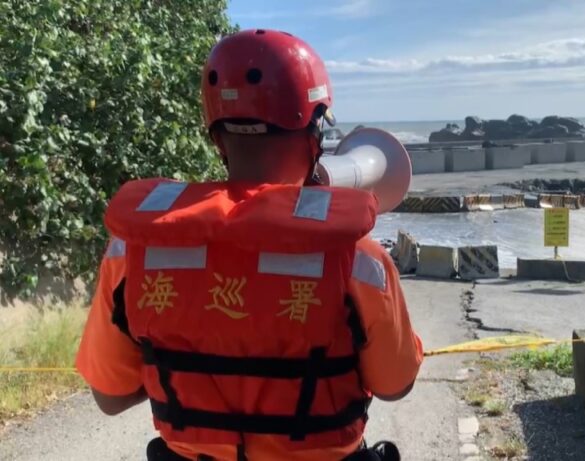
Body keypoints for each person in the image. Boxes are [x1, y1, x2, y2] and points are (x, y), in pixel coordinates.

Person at [76, 29, 423, 461]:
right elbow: (395, 385)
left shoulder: (131, 249)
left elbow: (110, 397)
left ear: (217, 138)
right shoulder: (358, 257)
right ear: (314, 135)